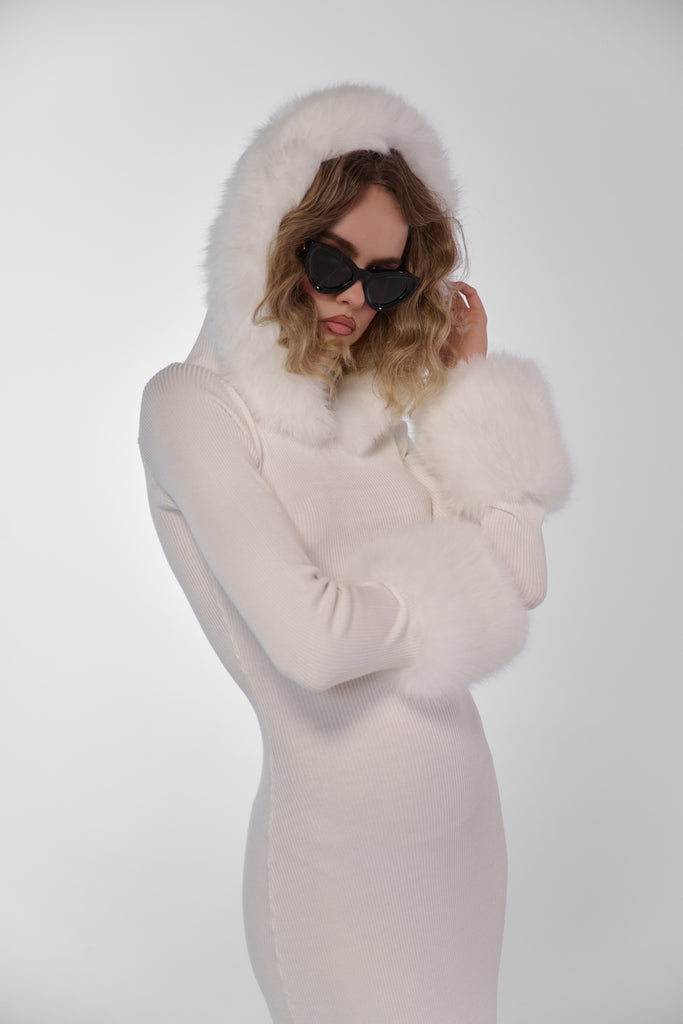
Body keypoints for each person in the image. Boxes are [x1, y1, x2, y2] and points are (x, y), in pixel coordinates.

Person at [138, 84, 572, 1024]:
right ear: (270, 237)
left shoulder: (370, 415)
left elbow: (522, 577)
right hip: (339, 865)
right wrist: (454, 587)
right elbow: (315, 646)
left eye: (383, 281)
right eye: (331, 262)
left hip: (464, 836)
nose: (351, 298)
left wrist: (468, 391)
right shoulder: (191, 407)